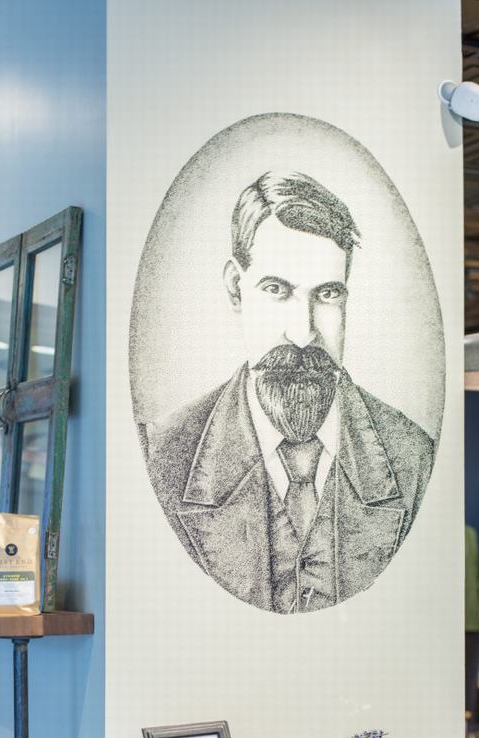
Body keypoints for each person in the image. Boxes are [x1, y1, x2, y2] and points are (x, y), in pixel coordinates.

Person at [143, 171, 434, 614]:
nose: (303, 333)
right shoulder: (164, 454)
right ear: (235, 288)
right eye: (277, 290)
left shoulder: (414, 459)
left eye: (328, 294)